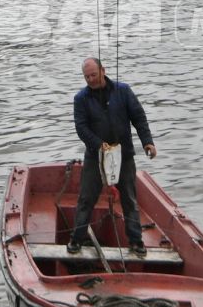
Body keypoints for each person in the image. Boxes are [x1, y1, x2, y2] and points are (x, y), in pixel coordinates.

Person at [67, 58, 156, 258]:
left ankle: (136, 241)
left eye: (93, 75)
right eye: (86, 77)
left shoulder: (123, 91)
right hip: (95, 156)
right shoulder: (80, 98)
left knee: (129, 199)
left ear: (103, 71)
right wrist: (99, 145)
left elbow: (139, 117)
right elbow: (81, 128)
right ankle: (77, 239)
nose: (90, 79)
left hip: (123, 155)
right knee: (86, 199)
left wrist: (147, 141)